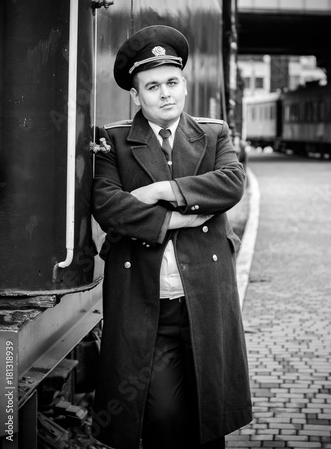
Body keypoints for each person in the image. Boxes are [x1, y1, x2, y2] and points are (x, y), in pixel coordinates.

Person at [91, 25, 252, 449]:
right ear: (136, 95)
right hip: (149, 305)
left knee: (207, 414)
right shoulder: (115, 142)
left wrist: (163, 191)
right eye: (153, 86)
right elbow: (108, 206)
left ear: (183, 85)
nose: (165, 94)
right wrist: (180, 219)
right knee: (161, 416)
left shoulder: (214, 134)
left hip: (204, 298)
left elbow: (232, 184)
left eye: (172, 83)